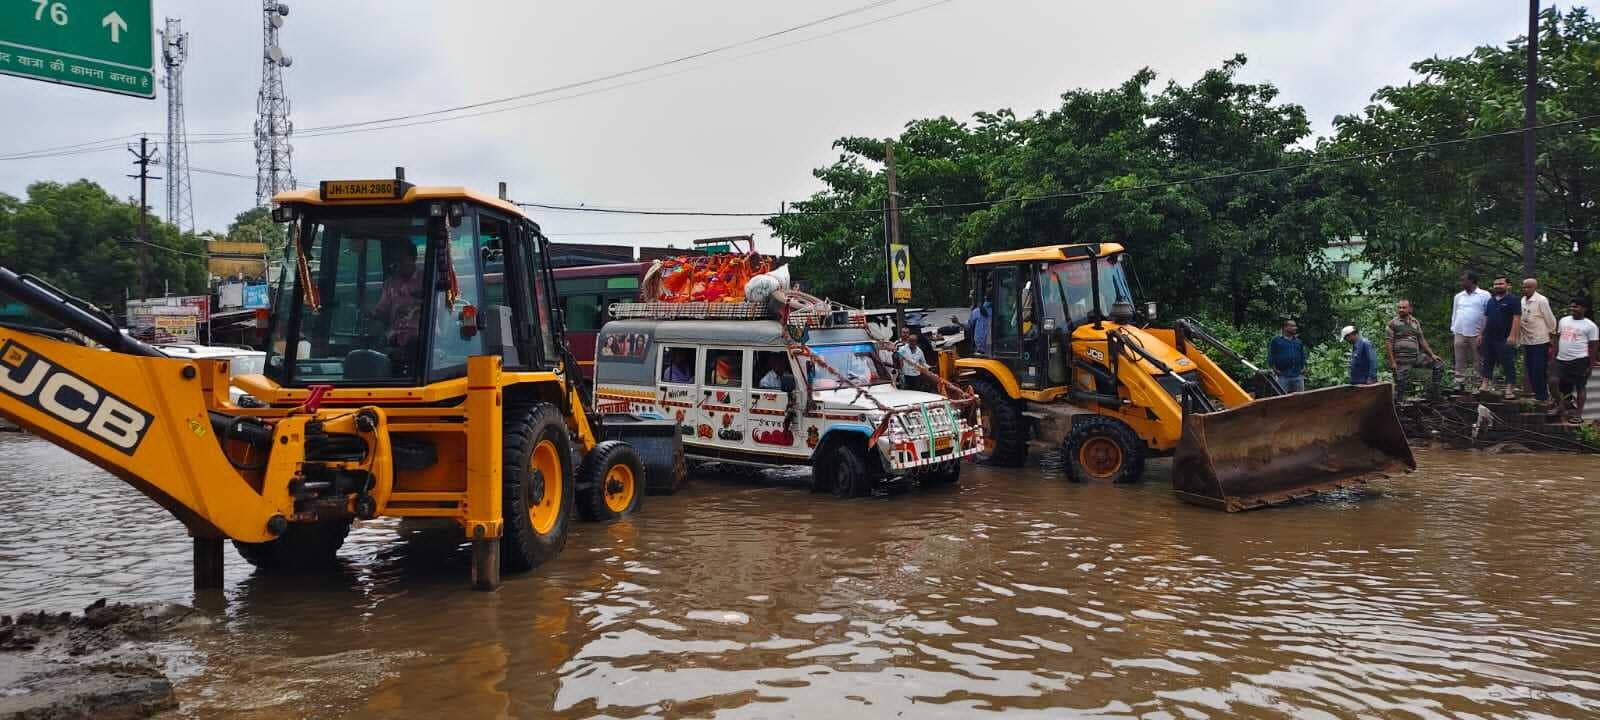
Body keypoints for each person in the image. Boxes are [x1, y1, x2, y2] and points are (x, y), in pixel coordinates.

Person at [369, 241, 423, 371]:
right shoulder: (391, 283)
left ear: (413, 258)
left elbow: (436, 309)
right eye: (396, 260)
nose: (399, 263)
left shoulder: (426, 280)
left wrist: (413, 307)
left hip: (420, 338)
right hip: (394, 339)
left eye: (402, 259)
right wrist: (371, 314)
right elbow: (382, 310)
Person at [1386, 299, 1444, 402]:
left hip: (1416, 357)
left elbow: (1421, 339)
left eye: (1404, 307)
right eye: (1399, 307)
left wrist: (1432, 354)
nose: (1401, 310)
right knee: (1400, 387)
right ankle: (1400, 407)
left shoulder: (1415, 322)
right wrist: (1392, 362)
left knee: (1438, 364)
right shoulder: (1392, 324)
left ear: (1410, 309)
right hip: (1401, 360)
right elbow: (1388, 343)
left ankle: (1434, 393)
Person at [1553, 297, 1598, 424]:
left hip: (1579, 360)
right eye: (1571, 306)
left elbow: (1594, 347)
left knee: (1580, 387)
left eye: (1576, 307)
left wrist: (1590, 365)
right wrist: (1553, 357)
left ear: (1584, 309)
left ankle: (1578, 414)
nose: (1572, 309)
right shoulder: (1563, 320)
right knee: (1553, 382)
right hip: (1561, 359)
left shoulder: (1590, 326)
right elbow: (1557, 338)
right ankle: (1560, 406)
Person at [1479, 276, 1522, 398]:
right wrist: (1481, 333)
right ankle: (1485, 384)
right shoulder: (1491, 301)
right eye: (1495, 284)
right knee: (1488, 360)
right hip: (1489, 336)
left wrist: (1513, 336)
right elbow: (1486, 318)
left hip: (1505, 337)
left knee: (1507, 362)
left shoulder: (1513, 300)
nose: (1497, 286)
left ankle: (1510, 388)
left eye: (1501, 284)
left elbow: (1516, 318)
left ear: (1508, 285)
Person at [1520, 278, 1559, 406]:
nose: (1525, 289)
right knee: (1530, 369)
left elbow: (1550, 320)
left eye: (1528, 287)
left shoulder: (1541, 300)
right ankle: (1538, 395)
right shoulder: (1522, 301)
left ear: (1534, 288)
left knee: (1539, 369)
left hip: (1540, 340)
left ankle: (1543, 396)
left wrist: (1551, 335)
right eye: (1524, 287)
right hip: (1527, 340)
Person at [1450, 271, 1491, 392]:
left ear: (1472, 281)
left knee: (1478, 358)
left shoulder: (1484, 295)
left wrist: (1483, 332)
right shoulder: (1458, 296)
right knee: (1459, 358)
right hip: (1460, 331)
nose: (1462, 282)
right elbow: (1455, 312)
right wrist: (1453, 327)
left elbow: (1487, 314)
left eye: (1464, 280)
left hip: (1477, 333)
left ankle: (1478, 382)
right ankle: (1459, 382)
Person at [1267, 320, 1307, 392]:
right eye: (1293, 326)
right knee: (1281, 399)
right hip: (1283, 376)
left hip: (1298, 376)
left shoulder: (1298, 341)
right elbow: (1271, 356)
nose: (1295, 328)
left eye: (1295, 326)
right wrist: (1274, 369)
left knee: (1300, 399)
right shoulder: (1276, 341)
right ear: (1285, 327)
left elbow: (1302, 356)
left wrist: (1304, 367)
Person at [896, 326, 929, 392]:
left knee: (916, 392)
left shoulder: (919, 351)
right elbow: (898, 360)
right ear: (908, 341)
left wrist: (927, 368)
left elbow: (923, 362)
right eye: (911, 341)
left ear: (916, 342)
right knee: (906, 393)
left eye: (914, 341)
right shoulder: (902, 349)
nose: (912, 343)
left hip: (916, 375)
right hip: (905, 375)